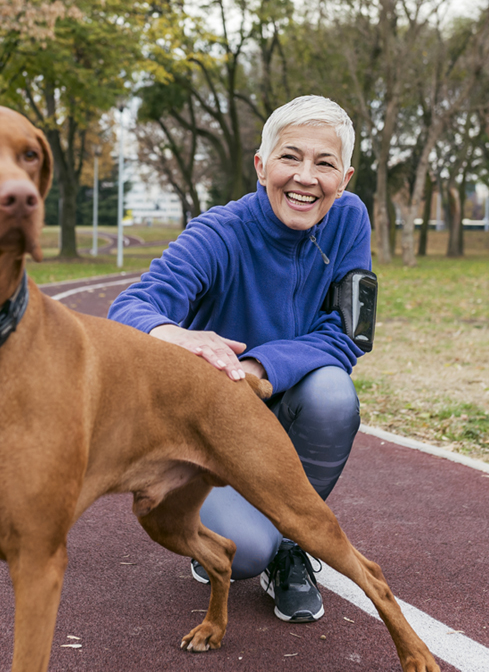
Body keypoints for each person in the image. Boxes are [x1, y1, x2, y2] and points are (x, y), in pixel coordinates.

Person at [107, 95, 372, 624]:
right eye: (290, 157)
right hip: (212, 427)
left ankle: (292, 544)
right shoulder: (220, 232)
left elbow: (350, 334)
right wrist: (175, 335)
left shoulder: (349, 220)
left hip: (281, 406)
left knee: (333, 395)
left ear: (343, 179)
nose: (305, 178)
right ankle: (244, 537)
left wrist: (259, 368)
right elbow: (130, 309)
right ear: (261, 165)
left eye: (324, 164)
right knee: (245, 554)